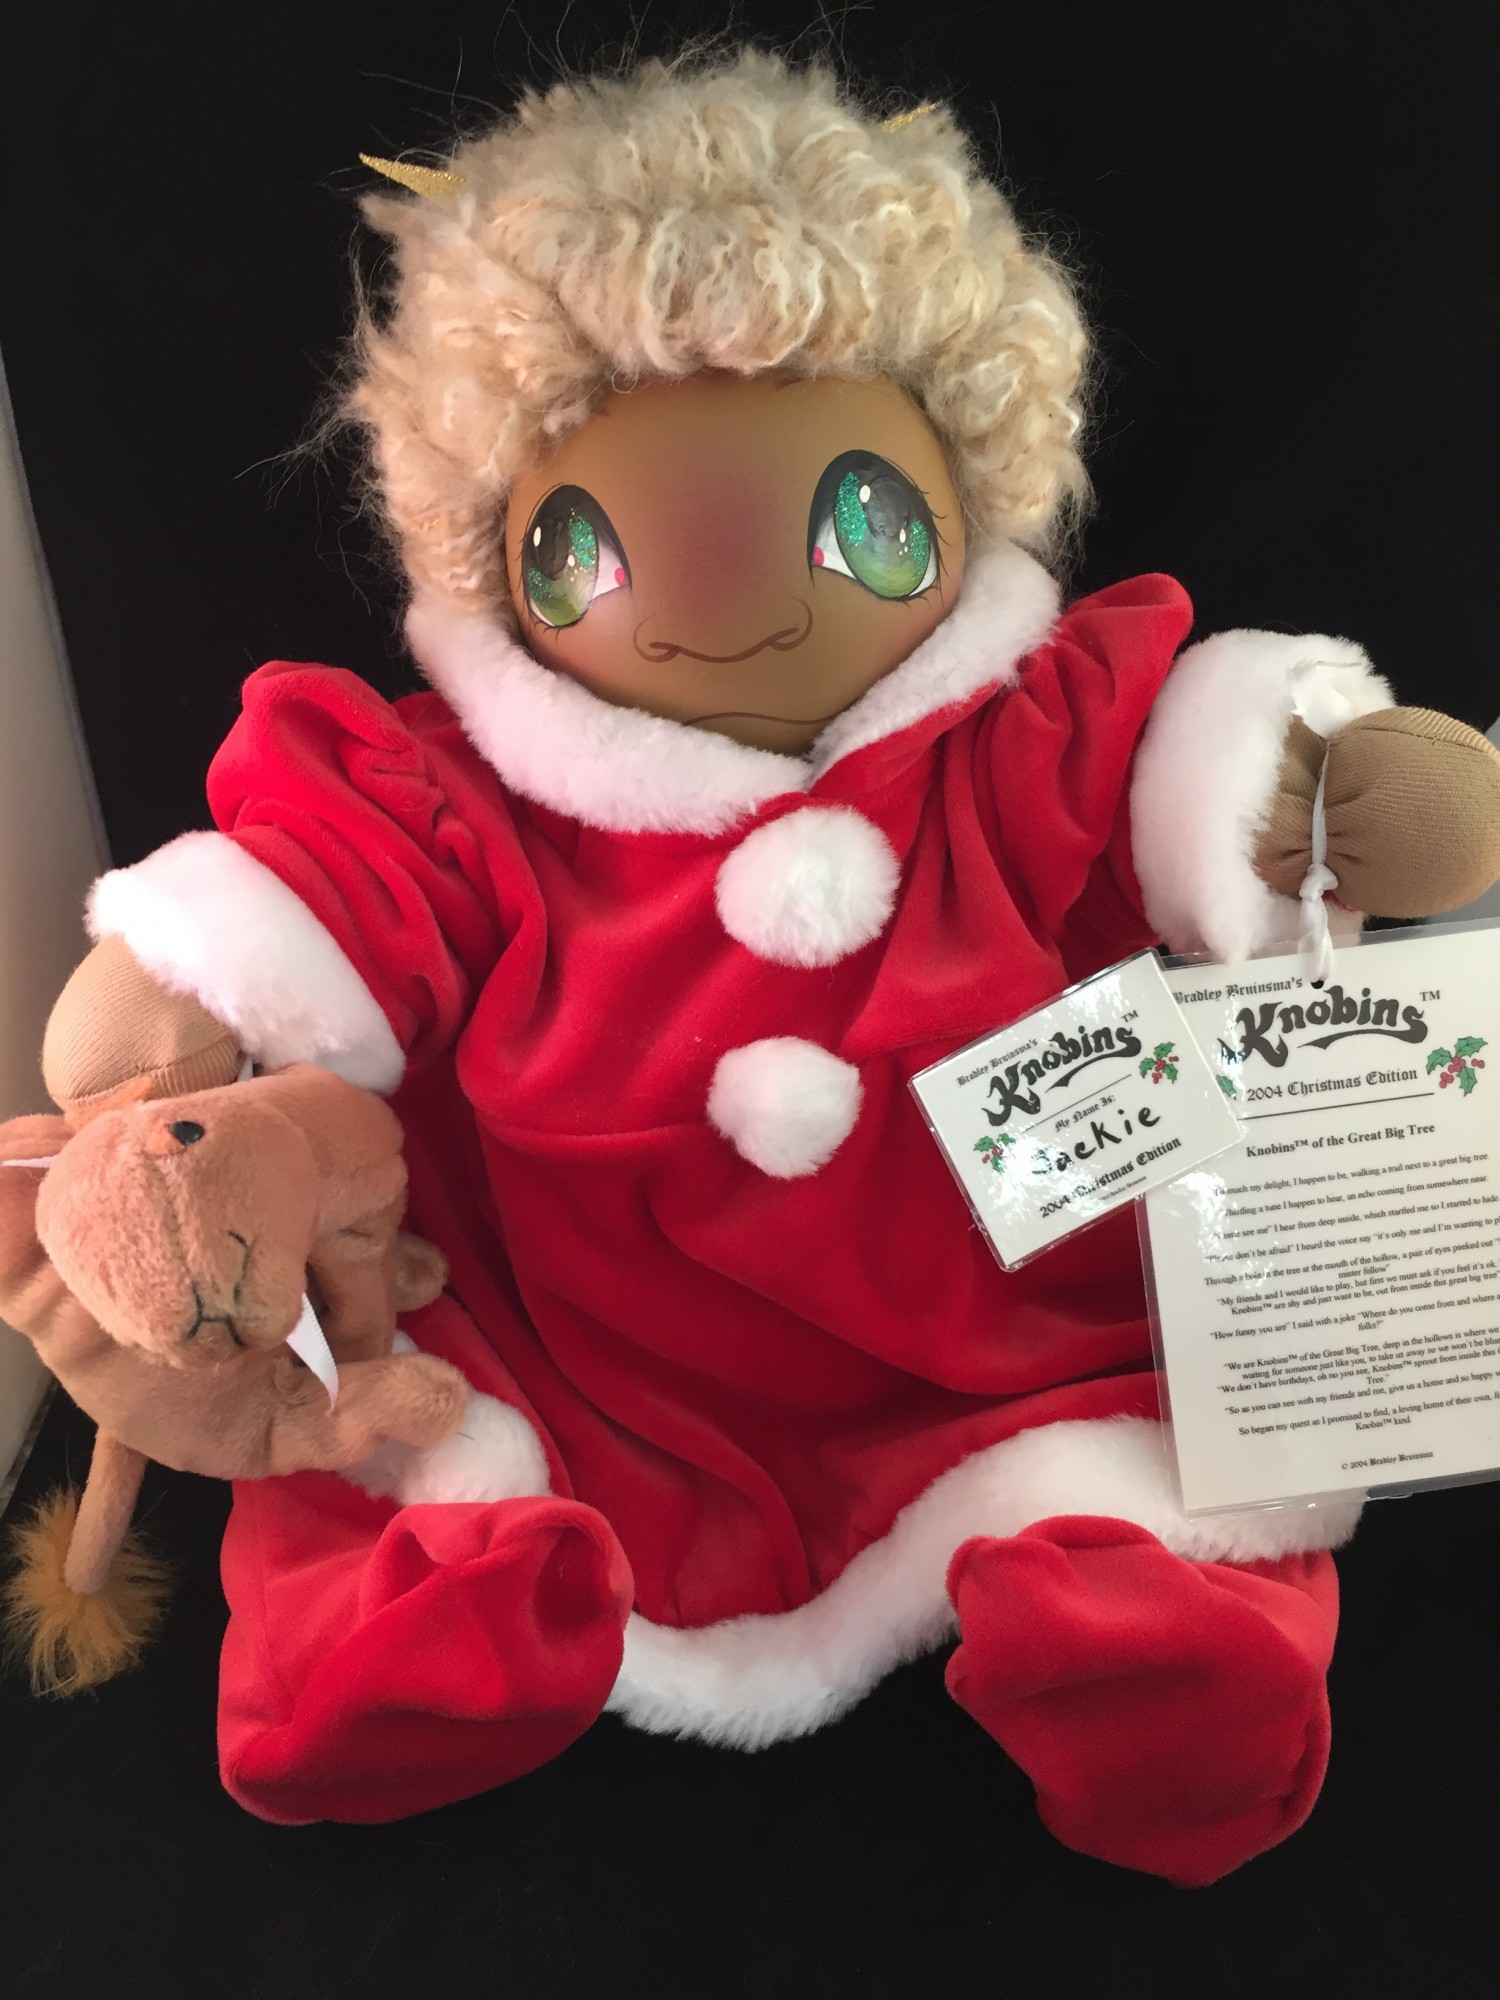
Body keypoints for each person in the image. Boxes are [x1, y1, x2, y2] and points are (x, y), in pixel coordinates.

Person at [36, 52, 1500, 1881]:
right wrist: (175, 1014)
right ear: (501, 549)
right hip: (598, 1346)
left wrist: (1319, 791)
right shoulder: (468, 801)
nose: (734, 608)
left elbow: (1207, 768)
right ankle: (443, 1641)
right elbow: (309, 897)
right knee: (434, 1433)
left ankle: (1144, 1652)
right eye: (587, 549)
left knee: (1138, 1471)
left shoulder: (1034, 739)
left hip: (1002, 1340)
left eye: (862, 523)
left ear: (962, 485)